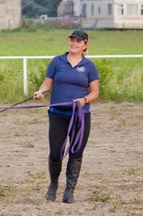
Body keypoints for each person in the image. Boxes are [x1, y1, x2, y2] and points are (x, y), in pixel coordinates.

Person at [32, 30, 99, 204]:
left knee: (76, 152)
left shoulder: (89, 66)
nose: (74, 43)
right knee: (56, 152)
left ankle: (69, 190)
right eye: (72, 40)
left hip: (80, 116)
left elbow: (95, 92)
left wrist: (84, 100)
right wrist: (41, 92)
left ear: (85, 44)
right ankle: (53, 184)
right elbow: (47, 83)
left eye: (78, 41)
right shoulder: (57, 61)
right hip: (58, 115)